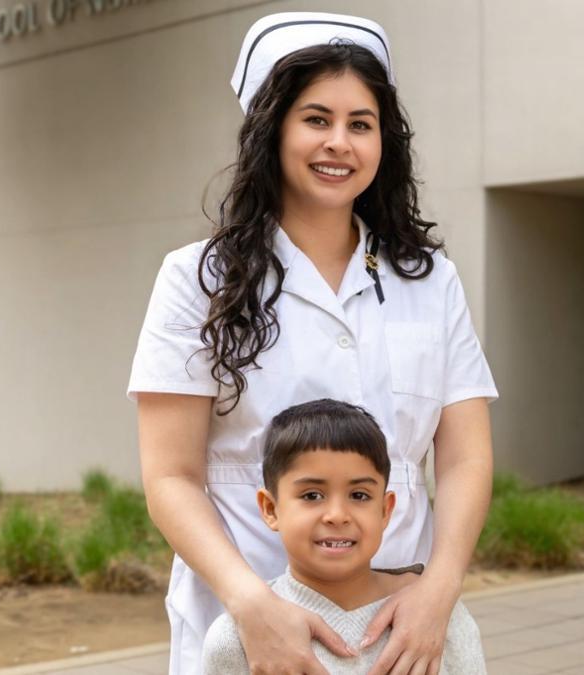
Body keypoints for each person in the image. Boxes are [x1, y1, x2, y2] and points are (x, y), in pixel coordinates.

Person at [128, 11, 498, 675]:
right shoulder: (196, 278)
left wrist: (439, 589)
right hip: (248, 619)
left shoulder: (428, 279)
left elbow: (465, 456)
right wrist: (250, 604)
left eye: (361, 124)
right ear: (272, 130)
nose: (340, 143)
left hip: (397, 623)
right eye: (316, 119)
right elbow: (170, 475)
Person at [201, 399, 487, 674]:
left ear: (385, 510)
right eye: (312, 495)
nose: (337, 515)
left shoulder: (438, 619)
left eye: (359, 495)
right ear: (270, 508)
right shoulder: (234, 638)